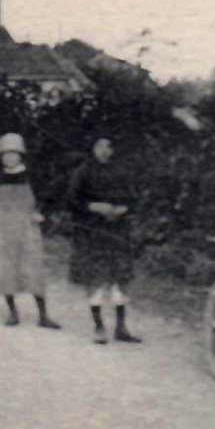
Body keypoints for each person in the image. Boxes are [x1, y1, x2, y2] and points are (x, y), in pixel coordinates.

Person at [67, 137, 142, 345]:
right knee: (95, 279)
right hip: (91, 232)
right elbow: (72, 200)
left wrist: (123, 209)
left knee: (120, 279)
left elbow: (133, 199)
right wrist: (93, 207)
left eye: (109, 146)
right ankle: (99, 327)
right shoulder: (82, 172)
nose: (104, 151)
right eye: (100, 146)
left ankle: (121, 327)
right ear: (93, 148)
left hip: (118, 231)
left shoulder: (122, 172)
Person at [0, 133, 58, 329]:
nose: (9, 158)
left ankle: (43, 315)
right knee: (6, 269)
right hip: (3, 228)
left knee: (34, 269)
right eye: (5, 154)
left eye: (13, 153)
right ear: (0, 157)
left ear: (21, 155)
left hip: (28, 228)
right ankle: (13, 313)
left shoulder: (33, 175)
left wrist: (41, 214)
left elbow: (49, 197)